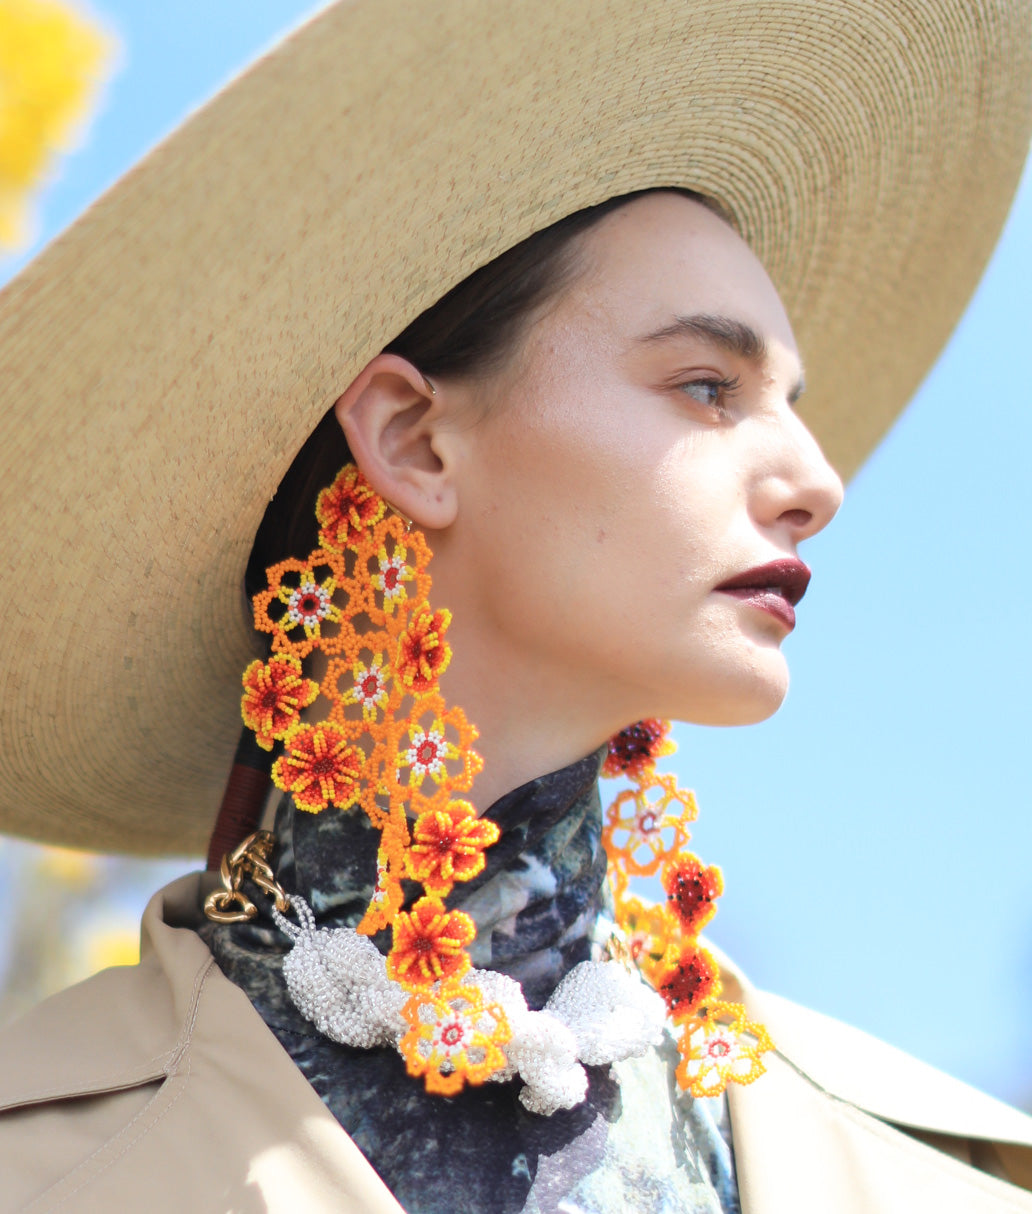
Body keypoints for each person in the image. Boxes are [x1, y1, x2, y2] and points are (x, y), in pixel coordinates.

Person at [1, 1, 1032, 1211]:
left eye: (791, 400)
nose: (816, 482)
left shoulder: (953, 1175)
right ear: (414, 439)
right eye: (708, 385)